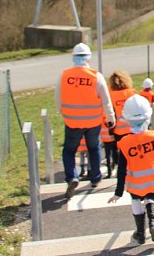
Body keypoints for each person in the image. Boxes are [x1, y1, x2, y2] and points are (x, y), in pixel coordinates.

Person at [56, 42, 115, 199]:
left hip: (72, 121)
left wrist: (64, 113)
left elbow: (58, 100)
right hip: (93, 121)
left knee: (69, 151)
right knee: (93, 148)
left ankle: (72, 177)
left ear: (73, 58)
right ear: (89, 58)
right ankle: (95, 177)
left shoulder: (64, 75)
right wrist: (110, 118)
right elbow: (106, 100)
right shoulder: (96, 76)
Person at [109, 95, 154, 245]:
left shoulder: (125, 143)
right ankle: (153, 224)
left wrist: (118, 192)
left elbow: (122, 170)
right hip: (152, 180)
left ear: (127, 119)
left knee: (136, 201)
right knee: (151, 197)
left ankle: (140, 233)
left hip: (135, 183)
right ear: (148, 116)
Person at [109, 70, 137, 142]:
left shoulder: (111, 96)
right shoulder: (132, 93)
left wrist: (111, 132)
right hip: (133, 128)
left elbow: (111, 115)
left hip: (118, 131)